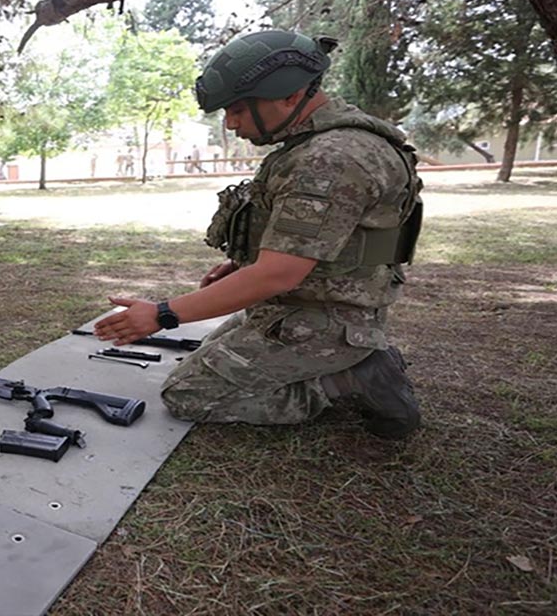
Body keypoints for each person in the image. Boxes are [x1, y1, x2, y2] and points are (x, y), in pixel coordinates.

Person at [93, 30, 424, 439]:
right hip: (300, 305)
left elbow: (277, 274)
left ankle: (349, 379)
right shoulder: (316, 145)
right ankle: (347, 364)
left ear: (290, 95)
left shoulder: (330, 158)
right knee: (200, 362)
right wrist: (242, 264)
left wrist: (163, 314)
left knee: (188, 395)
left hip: (325, 319)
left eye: (238, 110)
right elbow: (320, 242)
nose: (230, 124)